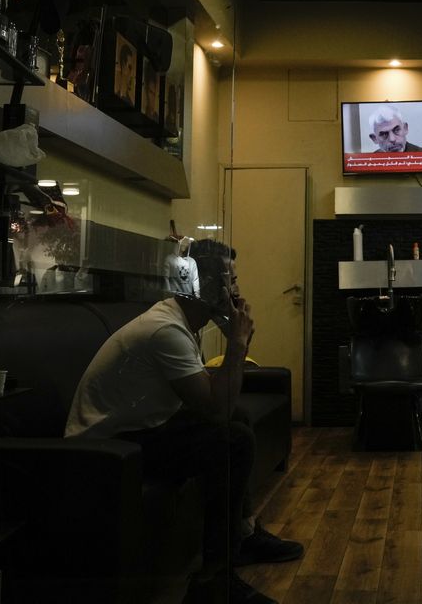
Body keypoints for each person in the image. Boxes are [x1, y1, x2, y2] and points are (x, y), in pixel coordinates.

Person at [64, 241, 301, 604]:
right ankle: (213, 582)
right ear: (199, 284)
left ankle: (245, 532)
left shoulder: (183, 322)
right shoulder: (167, 331)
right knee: (232, 439)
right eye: (228, 281)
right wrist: (237, 346)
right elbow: (215, 409)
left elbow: (216, 402)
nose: (235, 291)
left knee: (237, 420)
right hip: (106, 447)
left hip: (141, 428)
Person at [114, 34, 136, 105]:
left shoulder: (130, 103)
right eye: (129, 67)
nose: (131, 74)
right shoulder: (115, 95)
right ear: (123, 65)